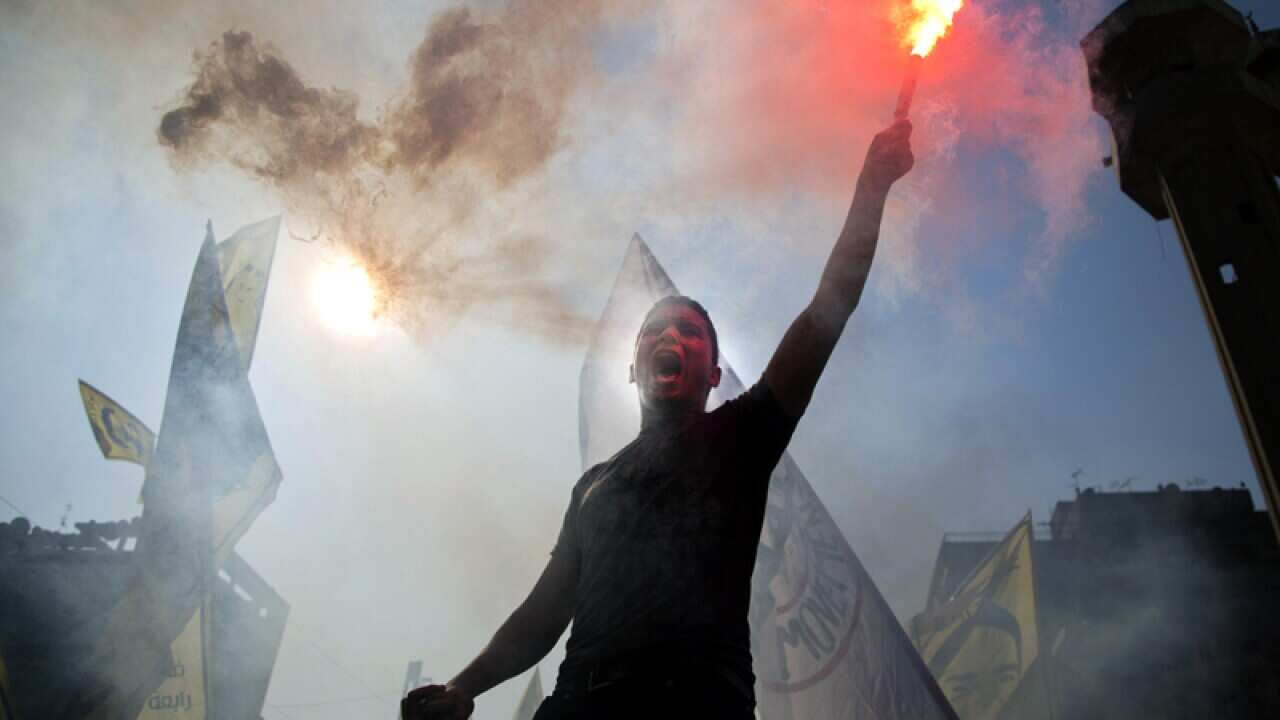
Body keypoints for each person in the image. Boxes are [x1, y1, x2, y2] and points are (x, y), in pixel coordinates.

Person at [403, 119, 914, 720]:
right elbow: (544, 612)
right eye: (654, 330)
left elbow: (828, 308)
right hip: (578, 705)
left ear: (714, 374)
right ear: (632, 369)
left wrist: (871, 189)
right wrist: (464, 687)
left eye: (689, 332)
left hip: (699, 703)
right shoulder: (592, 485)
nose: (670, 336)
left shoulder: (742, 436)